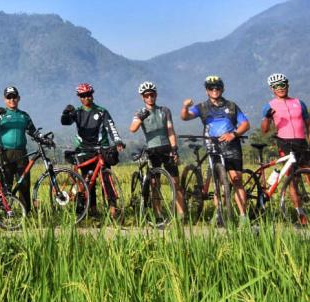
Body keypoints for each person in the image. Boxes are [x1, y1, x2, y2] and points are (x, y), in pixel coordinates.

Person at [181, 75, 250, 222]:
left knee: (236, 179)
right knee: (218, 182)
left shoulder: (232, 106)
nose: (214, 90)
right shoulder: (202, 107)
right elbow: (185, 117)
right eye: (211, 88)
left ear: (222, 89)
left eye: (217, 87)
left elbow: (245, 124)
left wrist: (234, 134)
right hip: (213, 147)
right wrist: (185, 107)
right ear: (207, 90)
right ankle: (219, 213)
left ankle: (244, 217)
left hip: (232, 146)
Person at [61, 82, 123, 217]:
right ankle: (93, 211)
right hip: (84, 150)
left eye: (89, 94)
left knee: (106, 179)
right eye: (83, 95)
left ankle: (113, 209)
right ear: (79, 97)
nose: (87, 97)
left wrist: (117, 141)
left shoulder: (101, 111)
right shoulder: (77, 112)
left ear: (92, 95)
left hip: (101, 149)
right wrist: (66, 113)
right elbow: (65, 122)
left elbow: (111, 128)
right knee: (88, 181)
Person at [127, 81, 185, 217]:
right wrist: (141, 117)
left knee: (175, 182)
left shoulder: (164, 111)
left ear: (156, 95)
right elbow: (132, 129)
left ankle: (182, 215)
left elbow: (170, 131)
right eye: (146, 96)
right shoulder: (140, 112)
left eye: (152, 95)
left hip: (166, 148)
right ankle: (158, 215)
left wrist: (174, 149)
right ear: (143, 97)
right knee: (155, 184)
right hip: (152, 150)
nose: (149, 98)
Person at [260, 73, 309, 216]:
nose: (280, 88)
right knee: (292, 178)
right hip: (285, 143)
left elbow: (308, 126)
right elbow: (264, 130)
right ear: (272, 89)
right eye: (276, 86)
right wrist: (268, 117)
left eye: (283, 84)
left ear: (287, 85)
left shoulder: (299, 103)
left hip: (301, 142)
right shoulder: (269, 106)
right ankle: (300, 213)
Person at [0, 85, 37, 213]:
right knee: (5, 184)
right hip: (5, 153)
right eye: (9, 97)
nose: (12, 100)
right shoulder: (1, 115)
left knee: (24, 185)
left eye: (14, 97)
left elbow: (33, 132)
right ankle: (4, 212)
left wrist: (43, 139)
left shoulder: (24, 116)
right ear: (4, 99)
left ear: (19, 98)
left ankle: (26, 214)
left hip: (21, 154)